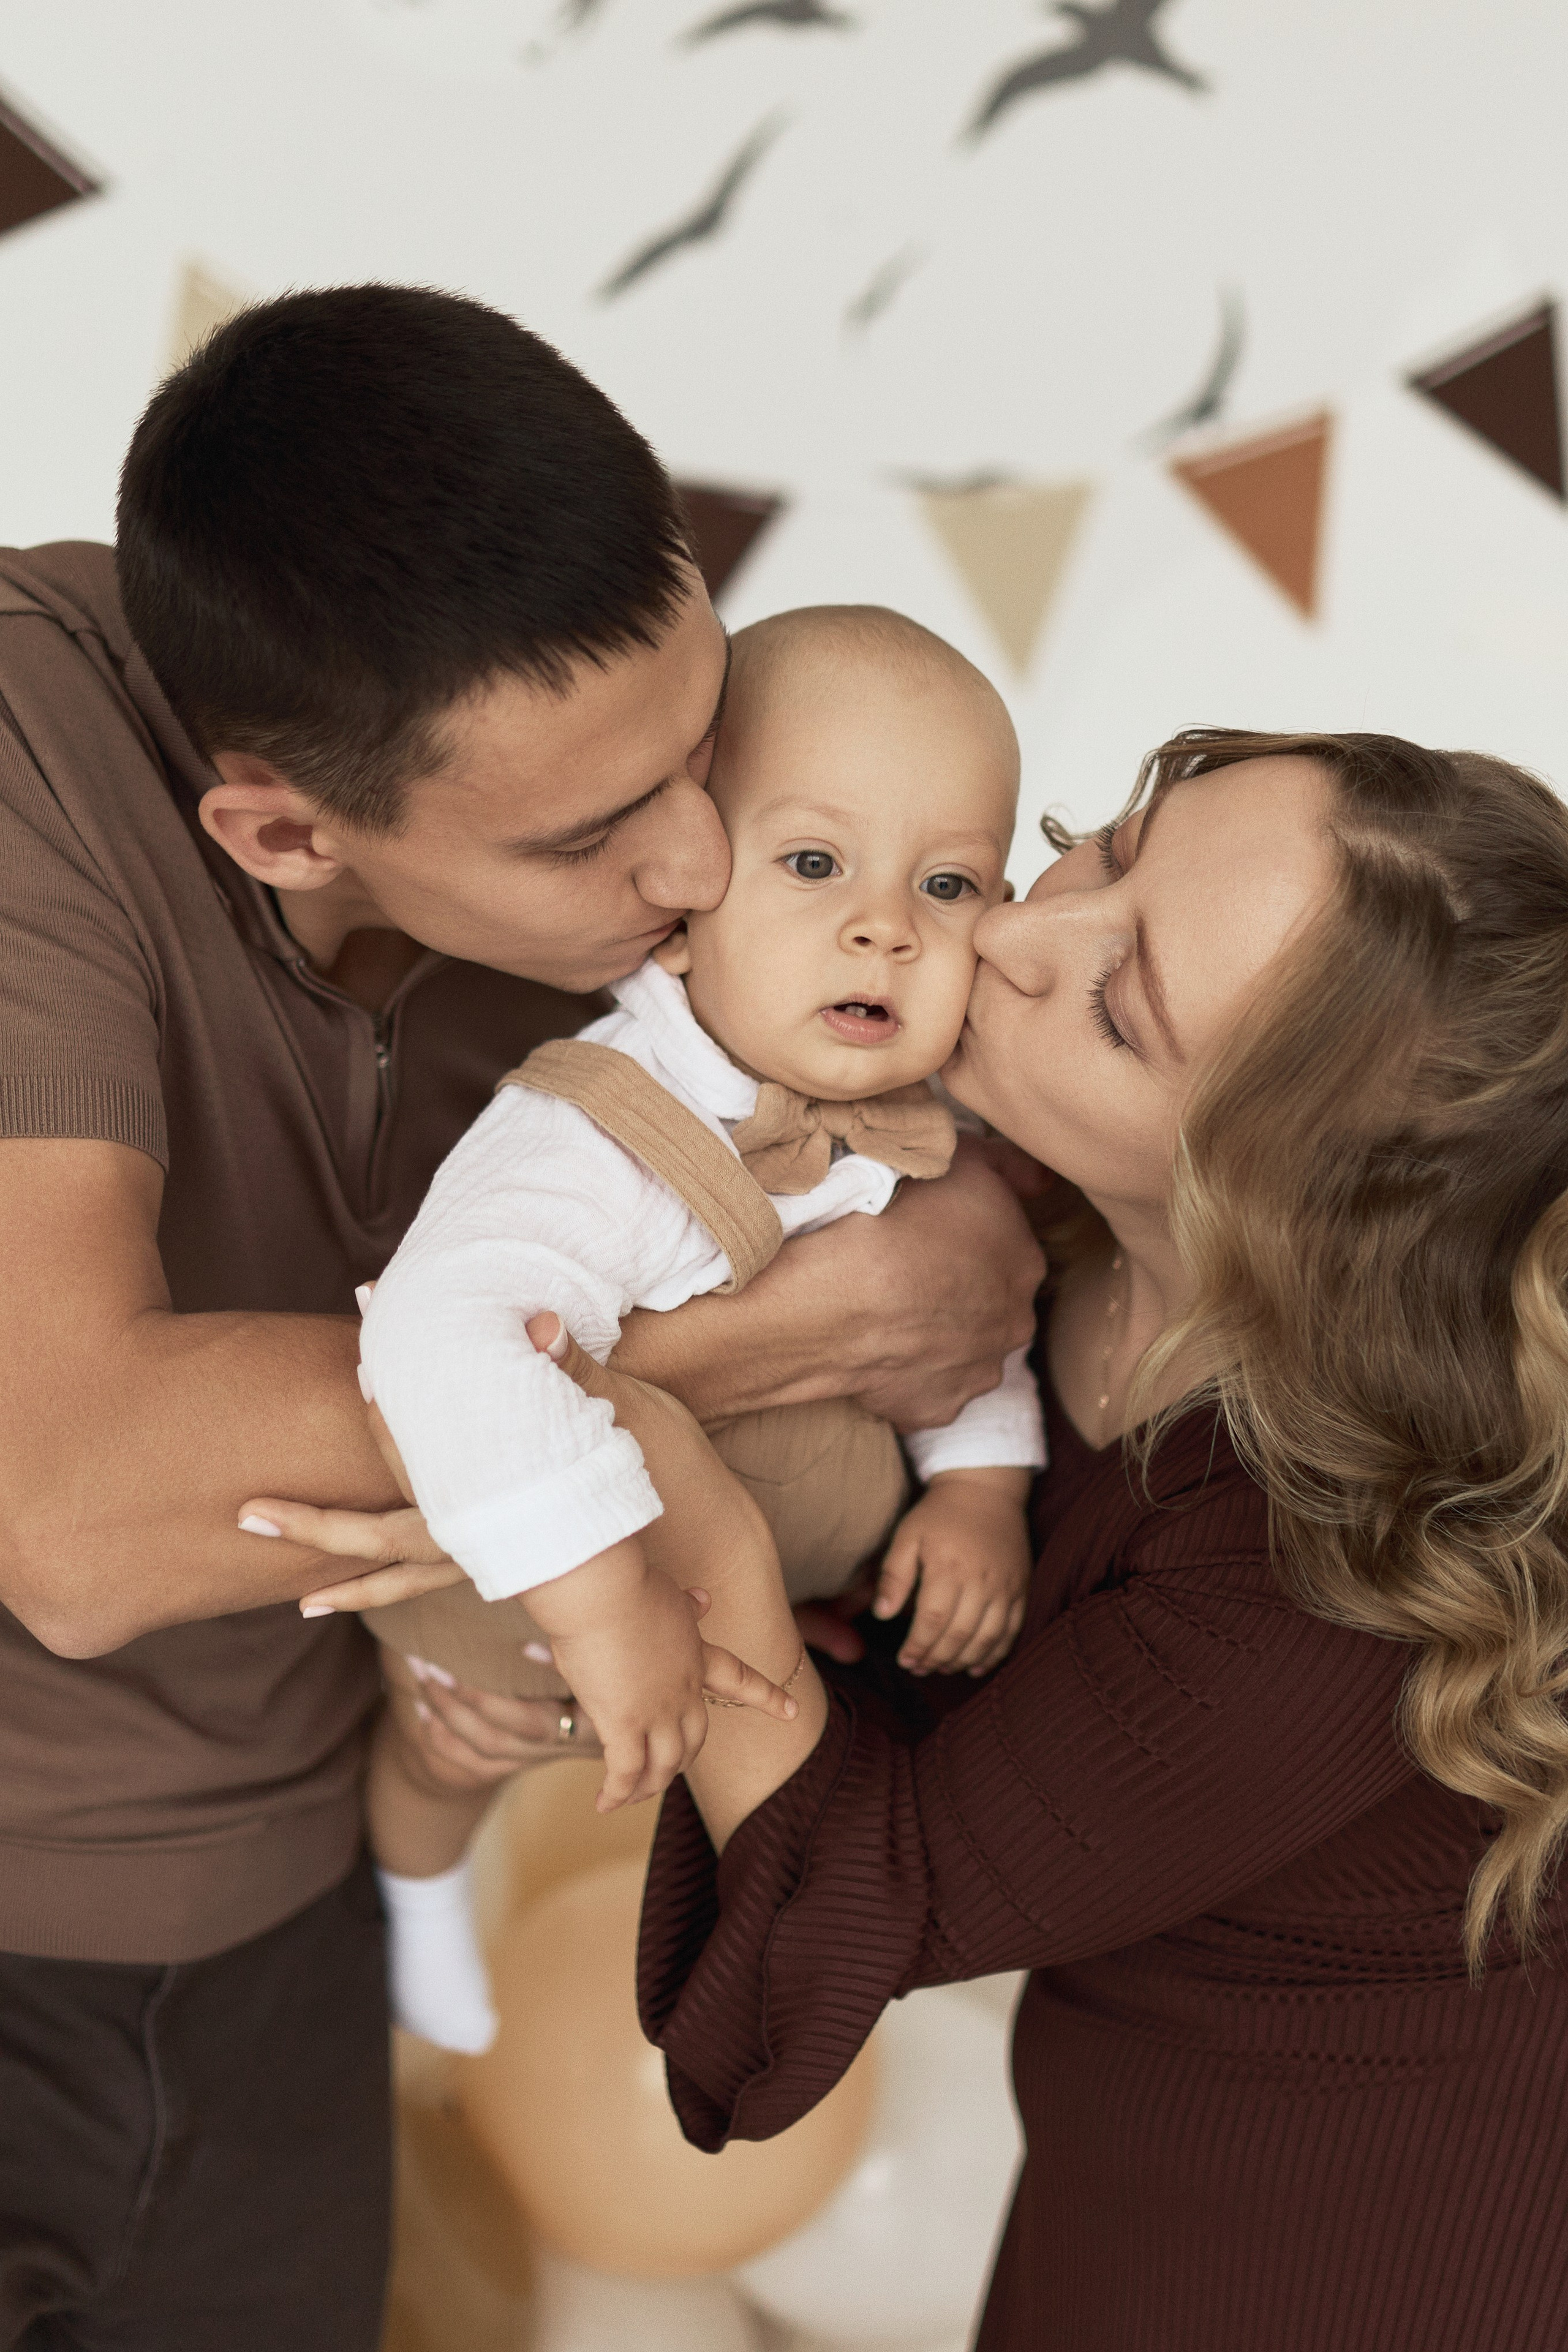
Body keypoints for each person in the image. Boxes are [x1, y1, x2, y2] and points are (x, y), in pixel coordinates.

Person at [0, 285, 1042, 2352]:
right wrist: (776, 1349)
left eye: (700, 747)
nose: (698, 862)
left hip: (302, 1899)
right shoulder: (32, 748)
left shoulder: (653, 839)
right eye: (591, 835)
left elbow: (962, 1195)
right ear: (280, 832)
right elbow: (74, 1510)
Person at [366, 727, 1568, 2351]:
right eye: (1113, 847)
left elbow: (848, 1898)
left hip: (1365, 2247)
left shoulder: (1328, 1575)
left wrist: (642, 1462)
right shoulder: (1006, 1193)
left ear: (1301, 1200)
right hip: (1116, 2137)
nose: (1010, 930)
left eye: (1121, 1008)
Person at [249, 603, 1044, 2054]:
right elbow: (440, 1334)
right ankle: (418, 1898)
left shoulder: (921, 1120)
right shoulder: (598, 1131)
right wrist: (601, 1607)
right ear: (683, 900)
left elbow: (965, 1336)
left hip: (771, 1605)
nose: (886, 927)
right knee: (451, 1756)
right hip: (529, 1596)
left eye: (947, 884)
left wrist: (982, 1486)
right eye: (814, 864)